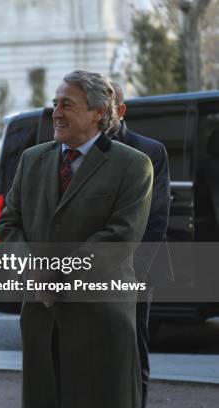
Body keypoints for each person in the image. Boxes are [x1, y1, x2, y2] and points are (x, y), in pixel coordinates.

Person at [0, 70, 153, 408]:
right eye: (55, 103)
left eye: (67, 104)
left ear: (99, 112)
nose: (56, 112)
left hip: (100, 324)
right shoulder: (32, 159)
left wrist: (56, 274)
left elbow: (119, 239)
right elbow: (9, 223)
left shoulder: (134, 166)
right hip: (41, 320)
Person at [108, 81, 173, 408]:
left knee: (134, 351)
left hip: (132, 272)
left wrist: (133, 274)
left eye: (106, 106)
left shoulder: (150, 150)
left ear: (120, 111)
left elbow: (156, 218)